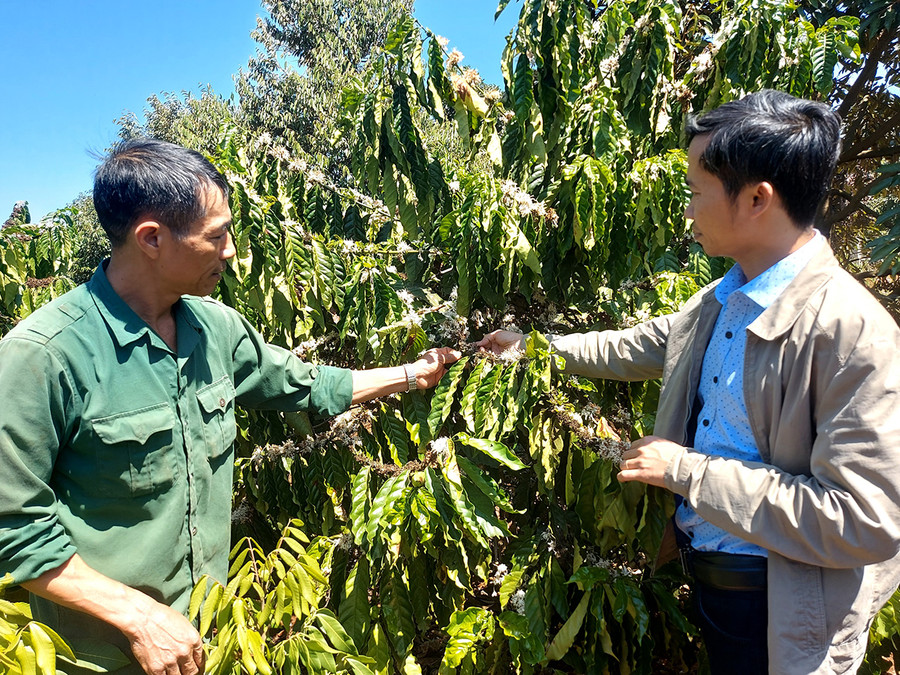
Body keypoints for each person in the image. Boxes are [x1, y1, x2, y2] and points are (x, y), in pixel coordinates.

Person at [0, 139, 460, 675]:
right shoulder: (45, 356)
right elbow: (14, 526)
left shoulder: (215, 329)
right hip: (104, 660)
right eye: (216, 236)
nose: (232, 251)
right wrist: (137, 617)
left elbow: (305, 383)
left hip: (208, 642)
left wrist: (412, 374)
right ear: (151, 238)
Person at [478, 90, 900, 674]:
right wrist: (531, 348)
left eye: (696, 193)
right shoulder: (722, 300)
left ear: (756, 199)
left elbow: (863, 521)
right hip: (712, 582)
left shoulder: (852, 334)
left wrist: (685, 471)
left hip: (785, 612)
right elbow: (636, 346)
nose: (687, 212)